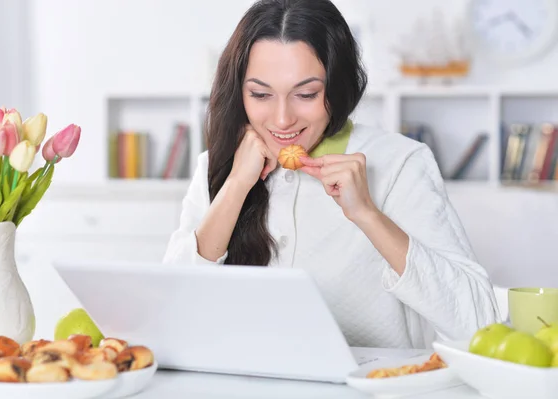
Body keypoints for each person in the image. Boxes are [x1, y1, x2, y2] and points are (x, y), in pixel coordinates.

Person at [163, 0, 500, 349]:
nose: (282, 120)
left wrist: (367, 214)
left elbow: (479, 322)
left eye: (306, 94)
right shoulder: (216, 165)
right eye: (260, 94)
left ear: (337, 88)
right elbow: (171, 310)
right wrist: (235, 187)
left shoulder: (400, 162)